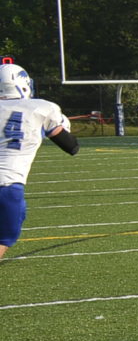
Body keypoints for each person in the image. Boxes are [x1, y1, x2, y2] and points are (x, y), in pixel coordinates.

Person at [0, 59, 79, 260]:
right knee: (5, 238)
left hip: (8, 185)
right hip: (7, 184)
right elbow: (71, 146)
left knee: (21, 212)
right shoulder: (41, 108)